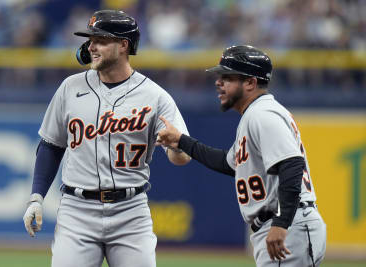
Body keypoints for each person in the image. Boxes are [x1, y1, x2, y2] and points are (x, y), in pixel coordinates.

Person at [23, 9, 191, 267]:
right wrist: (37, 197)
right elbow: (51, 145)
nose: (91, 46)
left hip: (131, 212)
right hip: (77, 211)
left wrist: (177, 148)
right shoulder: (70, 88)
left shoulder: (155, 96)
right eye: (91, 40)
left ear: (124, 45)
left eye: (100, 40)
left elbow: (181, 158)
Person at [156, 45, 326, 267]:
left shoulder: (262, 115)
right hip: (285, 224)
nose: (219, 82)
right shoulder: (254, 115)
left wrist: (281, 224)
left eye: (227, 77)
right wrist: (181, 141)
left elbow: (292, 165)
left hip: (289, 225)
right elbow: (228, 163)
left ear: (250, 83)